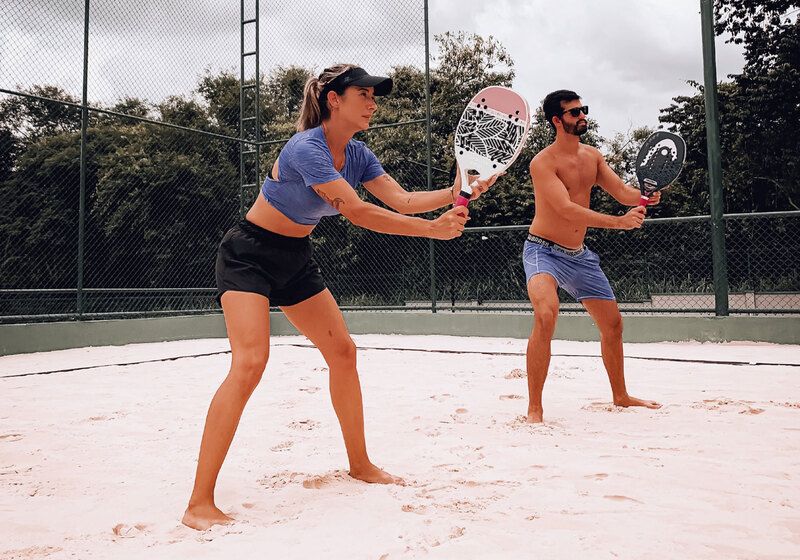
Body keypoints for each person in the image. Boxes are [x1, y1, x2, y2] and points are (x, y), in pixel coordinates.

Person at [182, 64, 499, 530]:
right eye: (364, 93)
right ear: (334, 99)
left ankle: (360, 464)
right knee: (250, 363)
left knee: (343, 353)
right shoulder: (305, 147)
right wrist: (432, 231)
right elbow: (356, 211)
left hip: (294, 255)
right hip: (248, 253)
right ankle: (198, 503)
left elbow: (403, 200)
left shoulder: (358, 154)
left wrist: (455, 191)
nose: (373, 102)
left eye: (375, 95)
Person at [524, 89, 662, 424]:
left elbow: (621, 191)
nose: (582, 116)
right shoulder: (542, 163)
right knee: (546, 314)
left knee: (613, 325)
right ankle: (534, 409)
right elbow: (567, 210)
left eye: (583, 110)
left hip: (579, 255)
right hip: (543, 250)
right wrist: (619, 221)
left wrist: (644, 196)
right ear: (557, 120)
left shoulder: (593, 157)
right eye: (574, 113)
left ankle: (621, 396)